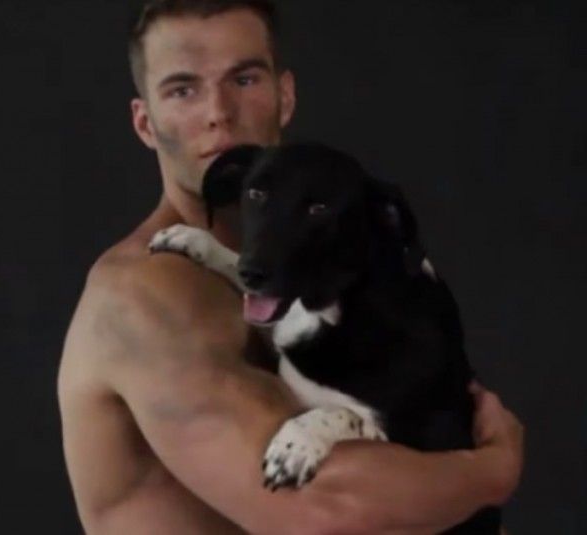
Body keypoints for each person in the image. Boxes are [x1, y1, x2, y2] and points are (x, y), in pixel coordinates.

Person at [57, 1, 524, 533]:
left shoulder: (318, 276)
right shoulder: (144, 298)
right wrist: (494, 471)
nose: (219, 112)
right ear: (145, 122)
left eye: (244, 79)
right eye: (183, 90)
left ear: (286, 95)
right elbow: (324, 508)